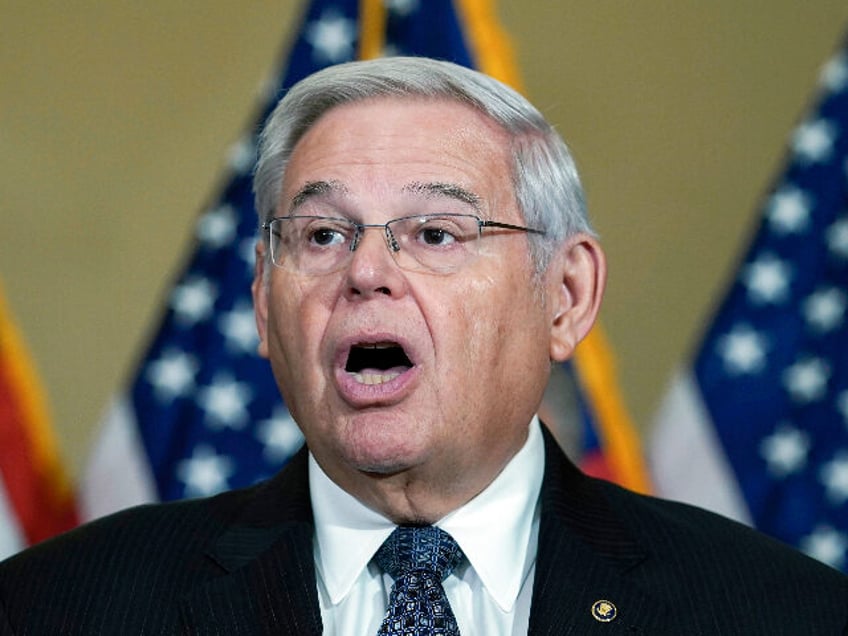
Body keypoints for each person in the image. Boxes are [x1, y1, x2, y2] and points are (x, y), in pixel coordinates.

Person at [1, 57, 845, 636]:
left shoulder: (780, 613)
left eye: (437, 232)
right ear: (264, 304)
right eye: (323, 234)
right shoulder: (55, 608)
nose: (368, 271)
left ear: (567, 295)